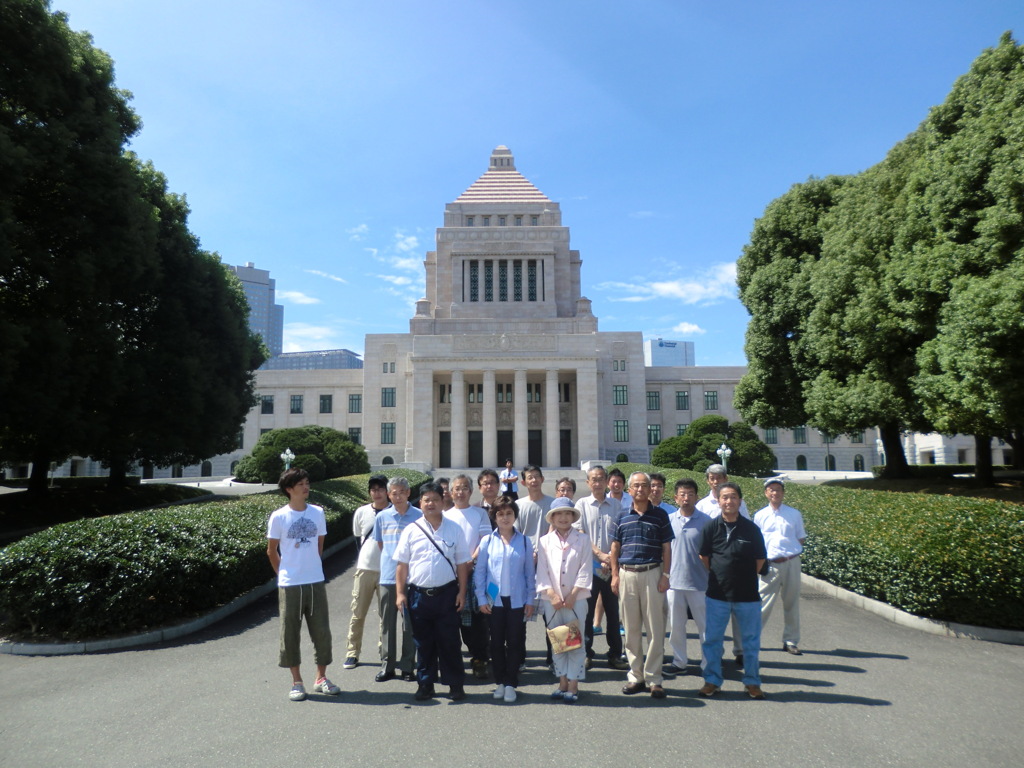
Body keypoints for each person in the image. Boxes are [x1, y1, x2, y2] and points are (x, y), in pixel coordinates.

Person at [266, 468, 340, 701]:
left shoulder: (318, 513)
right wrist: (284, 573)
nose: (306, 487)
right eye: (301, 484)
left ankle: (321, 678)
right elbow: (271, 551)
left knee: (321, 631)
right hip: (290, 584)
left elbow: (319, 546)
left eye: (307, 483)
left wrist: (312, 567)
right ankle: (297, 681)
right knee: (290, 633)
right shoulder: (279, 516)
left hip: (315, 580)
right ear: (289, 489)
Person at [394, 481, 472, 701]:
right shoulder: (411, 530)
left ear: (442, 501)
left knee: (450, 642)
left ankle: (455, 684)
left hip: (447, 594)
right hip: (418, 595)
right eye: (426, 500)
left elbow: (462, 565)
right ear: (420, 502)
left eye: (435, 499)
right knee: (423, 642)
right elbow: (402, 565)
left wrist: (462, 593)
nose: (431, 503)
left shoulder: (454, 528)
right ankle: (425, 684)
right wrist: (400, 594)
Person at [699, 482, 768, 699]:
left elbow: (760, 559)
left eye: (733, 497)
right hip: (718, 595)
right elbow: (704, 557)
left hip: (747, 596)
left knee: (750, 642)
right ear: (718, 501)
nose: (729, 501)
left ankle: (752, 682)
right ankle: (712, 680)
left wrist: (742, 577)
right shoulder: (711, 527)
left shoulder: (751, 529)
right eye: (725, 497)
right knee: (712, 640)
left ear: (740, 500)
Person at [611, 472, 674, 699]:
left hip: (652, 573)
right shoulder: (621, 516)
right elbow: (615, 548)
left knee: (656, 629)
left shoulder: (660, 516)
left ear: (650, 489)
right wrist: (615, 576)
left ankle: (654, 678)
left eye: (644, 485)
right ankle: (635, 676)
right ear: (629, 490)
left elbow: (666, 548)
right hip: (627, 575)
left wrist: (665, 575)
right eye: (635, 486)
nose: (640, 489)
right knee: (631, 630)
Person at [475, 496, 536, 703]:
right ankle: (500, 681)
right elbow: (480, 572)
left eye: (509, 513)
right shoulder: (487, 541)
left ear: (515, 516)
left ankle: (511, 682)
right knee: (496, 643)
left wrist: (530, 600)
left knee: (515, 642)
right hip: (494, 601)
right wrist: (481, 598)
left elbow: (529, 574)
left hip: (517, 600)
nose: (505, 517)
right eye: (500, 514)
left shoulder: (525, 541)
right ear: (494, 517)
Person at [536, 497, 593, 703]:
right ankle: (561, 682)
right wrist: (551, 595)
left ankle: (574, 684)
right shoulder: (544, 541)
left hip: (576, 599)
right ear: (551, 518)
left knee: (575, 642)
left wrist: (573, 594)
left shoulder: (583, 539)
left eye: (567, 513)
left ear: (573, 516)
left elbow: (585, 569)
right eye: (558, 514)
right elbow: (542, 570)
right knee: (558, 642)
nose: (563, 517)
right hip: (553, 601)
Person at [574, 465, 629, 671]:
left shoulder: (617, 506)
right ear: (588, 483)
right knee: (586, 614)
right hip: (589, 568)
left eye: (600, 479)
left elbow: (621, 535)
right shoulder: (581, 504)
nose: (597, 482)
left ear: (607, 481)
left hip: (612, 568)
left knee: (614, 613)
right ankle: (586, 652)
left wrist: (610, 560)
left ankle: (615, 654)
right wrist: (600, 555)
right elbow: (580, 534)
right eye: (593, 479)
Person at [696, 463, 749, 668]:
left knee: (738, 611)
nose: (716, 481)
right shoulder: (701, 505)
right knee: (713, 612)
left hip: (736, 563)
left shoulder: (738, 502)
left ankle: (741, 650)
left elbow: (748, 529)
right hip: (711, 564)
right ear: (708, 480)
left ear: (725, 478)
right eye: (712, 478)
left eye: (719, 477)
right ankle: (715, 652)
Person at [372, 476, 421, 683]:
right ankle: (387, 665)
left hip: (412, 578)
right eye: (393, 493)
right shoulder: (382, 517)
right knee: (387, 624)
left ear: (408, 493)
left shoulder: (419, 515)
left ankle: (408, 666)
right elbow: (381, 544)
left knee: (409, 625)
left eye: (401, 492)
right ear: (389, 495)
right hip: (387, 577)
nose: (397, 496)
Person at [445, 473, 493, 680]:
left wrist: (470, 562)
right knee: (453, 620)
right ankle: (455, 662)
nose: (461, 492)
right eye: (457, 488)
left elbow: (485, 540)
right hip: (451, 576)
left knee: (476, 621)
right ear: (450, 492)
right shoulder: (445, 516)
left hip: (474, 573)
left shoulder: (480, 514)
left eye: (465, 488)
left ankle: (480, 659)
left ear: (471, 491)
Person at [755, 478, 807, 655]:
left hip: (791, 562)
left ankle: (790, 641)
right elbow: (757, 542)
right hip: (770, 565)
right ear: (766, 493)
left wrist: (789, 552)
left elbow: (800, 537)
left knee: (791, 604)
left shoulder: (794, 514)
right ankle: (753, 640)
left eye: (778, 490)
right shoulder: (760, 515)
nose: (774, 493)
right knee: (761, 604)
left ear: (783, 493)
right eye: (771, 490)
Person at [665, 478, 711, 676]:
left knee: (705, 627)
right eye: (682, 494)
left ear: (697, 497)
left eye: (690, 494)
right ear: (675, 498)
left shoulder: (707, 522)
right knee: (676, 627)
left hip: (700, 582)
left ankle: (709, 663)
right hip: (674, 582)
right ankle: (679, 661)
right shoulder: (668, 521)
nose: (686, 498)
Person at [343, 474, 389, 670]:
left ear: (387, 491)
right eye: (373, 489)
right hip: (365, 569)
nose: (376, 493)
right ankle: (352, 652)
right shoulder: (361, 512)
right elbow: (357, 539)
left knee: (385, 616)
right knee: (357, 613)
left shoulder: (394, 512)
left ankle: (384, 652)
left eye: (380, 489)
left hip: (387, 571)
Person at [514, 464, 554, 555]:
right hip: (525, 553)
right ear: (523, 483)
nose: (534, 480)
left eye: (537, 477)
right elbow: (516, 532)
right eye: (530, 477)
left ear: (542, 479)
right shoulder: (517, 505)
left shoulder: (553, 503)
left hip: (549, 552)